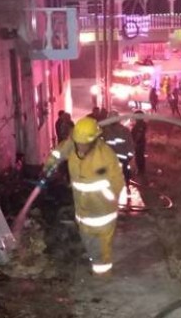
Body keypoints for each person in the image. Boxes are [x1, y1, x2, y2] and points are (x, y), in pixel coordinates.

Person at [43, 117, 125, 276]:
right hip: (82, 209)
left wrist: (107, 198)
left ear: (94, 140)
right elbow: (59, 151)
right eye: (78, 142)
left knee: (101, 247)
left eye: (84, 143)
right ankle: (95, 259)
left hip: (102, 212)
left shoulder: (105, 156)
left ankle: (102, 278)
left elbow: (118, 182)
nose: (80, 146)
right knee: (88, 240)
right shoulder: (73, 145)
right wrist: (50, 165)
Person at [102, 110, 135, 192]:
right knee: (124, 172)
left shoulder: (105, 131)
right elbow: (130, 144)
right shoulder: (124, 130)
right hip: (121, 158)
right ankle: (125, 186)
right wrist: (130, 156)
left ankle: (121, 187)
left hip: (110, 158)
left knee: (112, 174)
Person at [131, 110, 147, 176]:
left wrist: (135, 142)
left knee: (139, 156)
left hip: (139, 143)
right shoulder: (140, 123)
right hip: (139, 142)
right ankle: (141, 170)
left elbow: (139, 134)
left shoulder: (141, 124)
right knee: (139, 156)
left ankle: (140, 170)